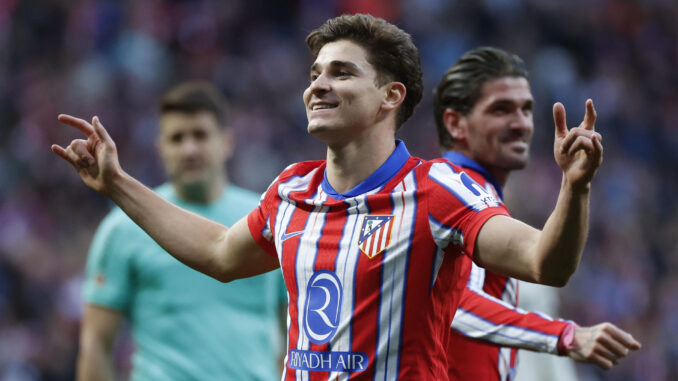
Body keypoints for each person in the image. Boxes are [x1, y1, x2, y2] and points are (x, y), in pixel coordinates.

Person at [53, 14, 604, 380]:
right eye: (315, 73)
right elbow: (220, 253)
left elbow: (543, 263)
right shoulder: (292, 189)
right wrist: (118, 183)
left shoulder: (437, 190)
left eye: (341, 73)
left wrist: (574, 189)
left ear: (391, 96)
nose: (317, 84)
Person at [433, 47, 641, 381]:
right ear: (456, 122)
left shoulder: (479, 200)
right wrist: (563, 334)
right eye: (501, 110)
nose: (521, 123)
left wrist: (576, 186)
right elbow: (456, 305)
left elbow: (551, 268)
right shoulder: (450, 194)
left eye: (526, 109)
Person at [76, 82, 286, 380]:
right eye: (177, 138)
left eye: (200, 135)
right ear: (160, 149)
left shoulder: (268, 222)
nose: (189, 149)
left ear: (226, 142)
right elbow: (96, 343)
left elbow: (292, 334)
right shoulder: (123, 228)